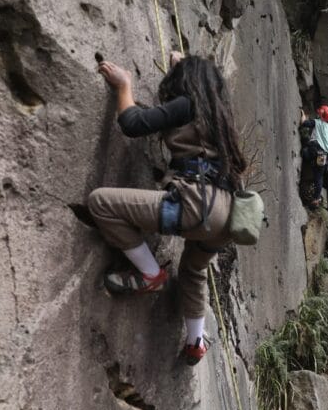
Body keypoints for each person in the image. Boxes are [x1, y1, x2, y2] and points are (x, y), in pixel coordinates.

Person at [89, 52, 247, 365]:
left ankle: (150, 275)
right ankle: (195, 342)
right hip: (227, 217)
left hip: (196, 205)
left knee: (101, 203)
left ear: (187, 83)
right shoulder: (219, 119)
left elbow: (133, 123)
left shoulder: (187, 105)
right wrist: (183, 64)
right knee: (193, 271)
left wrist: (124, 85)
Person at [299, 105, 328, 209]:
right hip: (324, 156)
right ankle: (316, 198)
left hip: (313, 151)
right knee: (319, 177)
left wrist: (303, 115)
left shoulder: (316, 122)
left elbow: (304, 123)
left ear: (321, 115)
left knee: (304, 151)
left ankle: (308, 161)